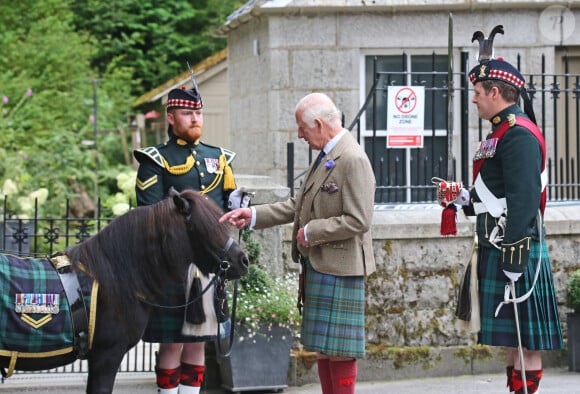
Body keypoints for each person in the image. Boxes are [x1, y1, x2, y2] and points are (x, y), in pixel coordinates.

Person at [220, 92, 376, 394]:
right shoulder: (327, 155)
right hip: (321, 265)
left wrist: (312, 231)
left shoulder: (353, 158)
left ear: (318, 124)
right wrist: (251, 214)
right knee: (325, 348)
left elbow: (360, 220)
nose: (300, 135)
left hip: (341, 269)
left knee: (340, 350)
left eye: (302, 128)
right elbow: (298, 203)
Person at [446, 54, 564, 393]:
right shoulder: (500, 132)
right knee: (514, 341)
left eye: (478, 92)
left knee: (527, 342)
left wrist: (515, 255)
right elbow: (494, 194)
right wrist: (463, 198)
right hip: (499, 243)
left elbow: (524, 198)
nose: (475, 99)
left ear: (495, 91)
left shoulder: (519, 134)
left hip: (516, 248)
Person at [134, 83, 238, 394]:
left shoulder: (219, 157)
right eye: (186, 113)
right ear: (170, 117)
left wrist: (240, 206)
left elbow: (228, 204)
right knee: (172, 344)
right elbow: (151, 212)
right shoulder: (155, 159)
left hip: (209, 264)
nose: (195, 118)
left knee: (199, 342)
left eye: (198, 112)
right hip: (172, 265)